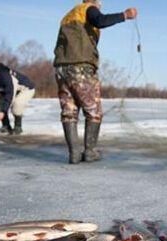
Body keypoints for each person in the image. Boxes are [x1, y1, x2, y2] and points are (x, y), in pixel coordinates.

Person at [54, 0, 137, 164]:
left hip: (61, 69)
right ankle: (90, 151)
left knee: (69, 112)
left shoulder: (68, 16)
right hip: (81, 68)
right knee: (93, 111)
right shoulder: (88, 9)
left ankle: (74, 154)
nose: (100, 6)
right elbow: (99, 20)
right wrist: (124, 15)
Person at [0, 63, 36, 134]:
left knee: (17, 105)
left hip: (26, 89)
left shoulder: (6, 77)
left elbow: (9, 96)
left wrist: (3, 111)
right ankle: (6, 126)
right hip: (13, 90)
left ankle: (17, 127)